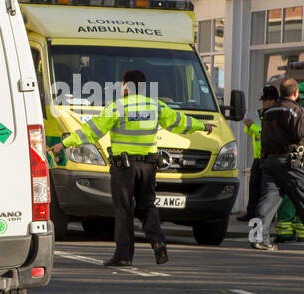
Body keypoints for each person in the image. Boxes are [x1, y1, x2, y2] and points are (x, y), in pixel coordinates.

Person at [51, 69, 211, 266]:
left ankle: (124, 256)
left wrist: (64, 144)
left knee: (124, 210)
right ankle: (158, 241)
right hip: (148, 167)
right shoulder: (155, 106)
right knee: (147, 206)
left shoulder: (118, 106)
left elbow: (92, 131)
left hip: (124, 168)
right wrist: (203, 126)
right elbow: (180, 122)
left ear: (126, 86)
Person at [248, 76, 304, 251]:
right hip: (289, 160)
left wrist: (264, 161)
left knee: (266, 201)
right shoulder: (295, 111)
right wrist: (297, 163)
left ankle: (258, 238)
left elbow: (263, 138)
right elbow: (300, 136)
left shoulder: (269, 112)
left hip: (269, 161)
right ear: (296, 93)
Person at [236, 85, 276, 222]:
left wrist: (251, 126)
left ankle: (264, 216)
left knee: (267, 189)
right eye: (263, 100)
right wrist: (248, 126)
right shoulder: (259, 114)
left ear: (274, 100)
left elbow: (264, 133)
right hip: (258, 157)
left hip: (270, 157)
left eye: (267, 100)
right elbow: (251, 133)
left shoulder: (276, 115)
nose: (264, 103)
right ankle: (251, 213)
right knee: (253, 186)